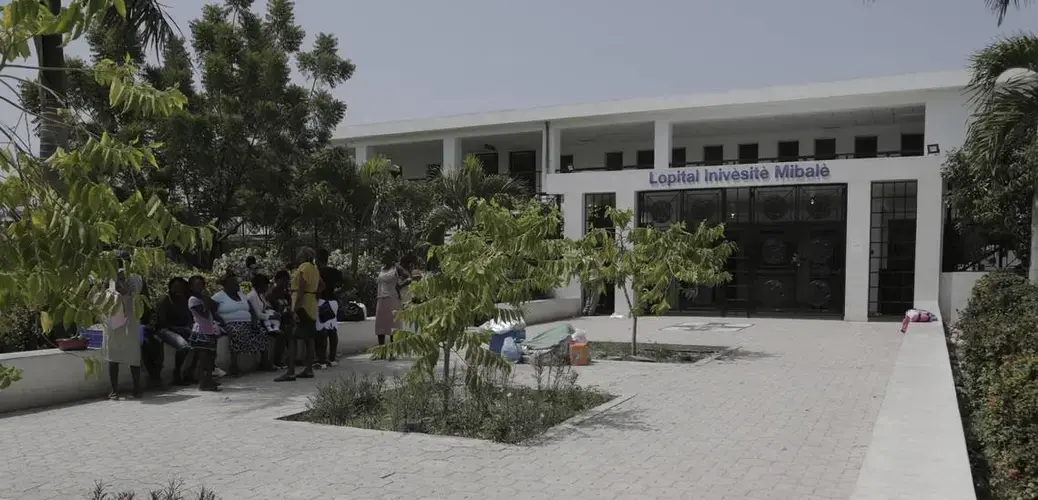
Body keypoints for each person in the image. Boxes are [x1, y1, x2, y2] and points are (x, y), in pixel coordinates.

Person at [102, 251, 145, 400]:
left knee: (132, 353)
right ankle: (115, 390)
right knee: (113, 354)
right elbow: (104, 295)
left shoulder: (136, 278)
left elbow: (141, 297)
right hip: (113, 319)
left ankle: (136, 387)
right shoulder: (109, 278)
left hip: (131, 318)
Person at [275, 247, 321, 382]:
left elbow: (301, 288)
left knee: (292, 337)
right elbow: (321, 285)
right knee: (309, 338)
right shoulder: (314, 268)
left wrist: (295, 309)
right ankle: (308, 369)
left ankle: (290, 371)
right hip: (311, 304)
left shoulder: (303, 267)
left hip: (302, 305)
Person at [212, 273, 268, 376]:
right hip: (230, 324)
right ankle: (234, 365)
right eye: (234, 282)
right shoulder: (218, 297)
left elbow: (251, 310)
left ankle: (264, 362)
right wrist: (221, 322)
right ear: (226, 285)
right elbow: (212, 312)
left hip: (247, 323)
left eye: (236, 282)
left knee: (262, 332)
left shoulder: (242, 294)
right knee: (237, 332)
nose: (237, 284)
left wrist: (254, 321)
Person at [151, 277, 194, 386]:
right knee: (184, 346)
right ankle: (176, 373)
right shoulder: (165, 300)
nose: (178, 290)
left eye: (181, 288)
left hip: (181, 329)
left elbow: (189, 317)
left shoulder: (183, 300)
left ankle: (191, 372)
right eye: (175, 288)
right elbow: (162, 321)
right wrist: (178, 329)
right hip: (165, 330)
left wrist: (188, 327)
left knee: (201, 343)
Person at [186, 275, 220, 391]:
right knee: (202, 358)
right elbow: (204, 314)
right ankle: (201, 382)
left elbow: (216, 307)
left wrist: (207, 299)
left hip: (210, 329)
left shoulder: (203, 298)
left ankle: (209, 379)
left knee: (211, 358)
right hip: (201, 331)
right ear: (191, 287)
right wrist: (206, 302)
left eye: (201, 285)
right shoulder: (193, 300)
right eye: (197, 285)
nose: (200, 287)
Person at [314, 248, 343, 369]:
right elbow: (344, 284)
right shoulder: (335, 272)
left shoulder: (317, 272)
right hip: (333, 301)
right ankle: (332, 357)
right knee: (332, 329)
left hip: (322, 301)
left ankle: (322, 360)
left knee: (321, 331)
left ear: (318, 259)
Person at [375, 253, 411, 347]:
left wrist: (400, 285)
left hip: (392, 299)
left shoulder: (396, 268)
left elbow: (409, 278)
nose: (382, 257)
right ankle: (381, 351)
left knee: (393, 326)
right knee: (380, 326)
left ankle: (393, 351)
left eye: (384, 256)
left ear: (390, 258)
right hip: (381, 299)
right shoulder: (382, 269)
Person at [267, 270, 293, 370]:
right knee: (283, 332)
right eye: (284, 280)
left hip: (285, 319)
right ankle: (278, 360)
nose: (286, 283)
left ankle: (289, 359)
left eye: (287, 280)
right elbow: (272, 309)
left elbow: (290, 307)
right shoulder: (271, 293)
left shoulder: (286, 294)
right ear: (277, 280)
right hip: (273, 320)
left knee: (291, 329)